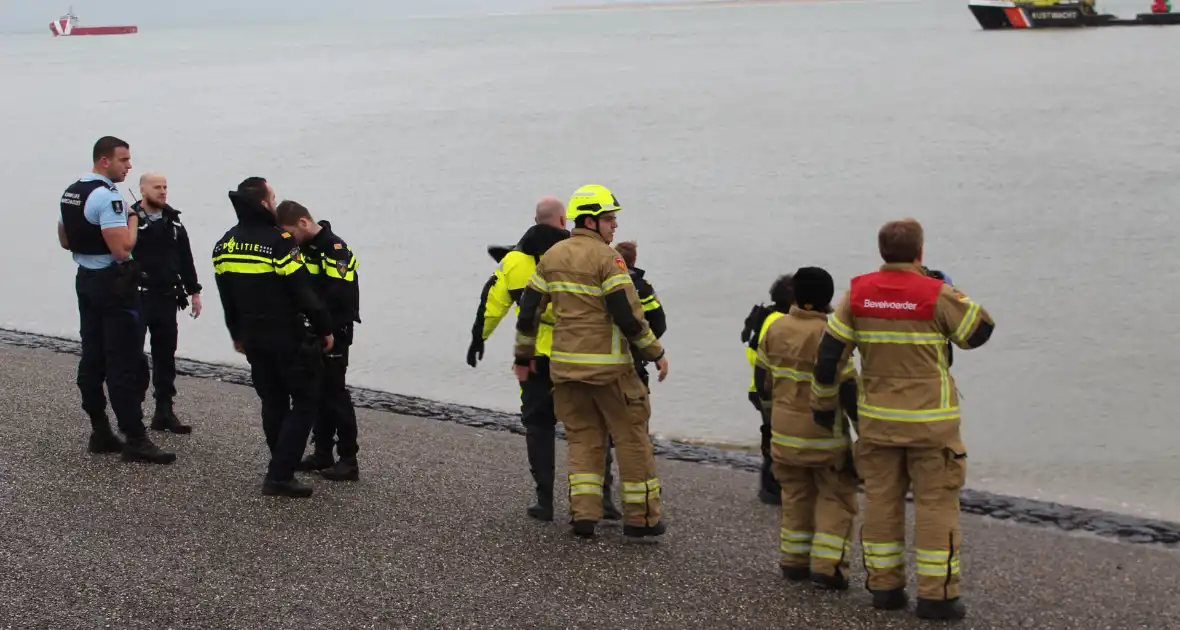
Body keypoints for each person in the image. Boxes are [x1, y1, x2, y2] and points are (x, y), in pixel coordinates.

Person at [811, 218, 995, 621]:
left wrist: (824, 408)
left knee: (881, 503)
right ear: (920, 253)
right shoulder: (935, 293)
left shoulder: (857, 293)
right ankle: (937, 596)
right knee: (936, 506)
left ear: (882, 252)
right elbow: (980, 331)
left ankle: (885, 588)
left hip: (877, 424)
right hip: (933, 426)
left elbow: (828, 360)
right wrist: (951, 289)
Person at [513, 184, 669, 541]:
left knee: (583, 440)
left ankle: (584, 515)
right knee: (632, 440)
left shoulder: (552, 256)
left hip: (565, 370)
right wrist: (655, 352)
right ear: (590, 221)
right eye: (609, 219)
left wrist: (523, 357)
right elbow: (627, 316)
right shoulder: (608, 259)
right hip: (611, 371)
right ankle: (642, 519)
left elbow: (527, 313)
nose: (614, 226)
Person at [467, 196, 622, 522]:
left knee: (539, 426)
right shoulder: (581, 253)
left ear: (534, 220)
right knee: (591, 427)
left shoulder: (513, 261)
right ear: (565, 220)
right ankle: (602, 499)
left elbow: (493, 302)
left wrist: (478, 337)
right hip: (579, 355)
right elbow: (615, 302)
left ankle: (544, 501)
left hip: (536, 358)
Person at [212, 177, 334, 498]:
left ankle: (280, 466)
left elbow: (226, 296)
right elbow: (303, 292)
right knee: (305, 401)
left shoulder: (224, 243)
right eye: (273, 197)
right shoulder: (280, 241)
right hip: (285, 335)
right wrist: (325, 328)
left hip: (252, 336)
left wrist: (236, 333)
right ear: (264, 203)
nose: (275, 202)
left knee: (272, 400)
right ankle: (280, 475)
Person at [57, 136, 175, 464]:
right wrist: (133, 222)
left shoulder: (72, 191)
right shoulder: (109, 198)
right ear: (105, 161)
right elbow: (122, 250)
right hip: (114, 284)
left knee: (92, 356)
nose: (129, 166)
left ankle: (100, 430)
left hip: (86, 279)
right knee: (125, 362)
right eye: (124, 160)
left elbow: (65, 240)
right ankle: (134, 437)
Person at [755, 267, 860, 590]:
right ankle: (828, 568)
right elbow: (846, 388)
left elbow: (762, 382)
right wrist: (862, 430)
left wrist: (773, 421)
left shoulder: (775, 328)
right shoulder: (831, 334)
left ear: (795, 297)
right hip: (823, 436)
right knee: (836, 497)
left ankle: (793, 562)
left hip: (784, 434)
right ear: (828, 299)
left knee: (796, 496)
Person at [276, 200, 362, 482]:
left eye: (289, 231)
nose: (287, 238)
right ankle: (322, 451)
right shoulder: (301, 248)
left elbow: (339, 295)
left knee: (336, 394)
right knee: (316, 393)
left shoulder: (335, 249)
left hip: (335, 330)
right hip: (313, 330)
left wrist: (324, 326)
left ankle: (348, 458)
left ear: (303, 222)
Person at [130, 171, 202, 434]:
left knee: (165, 356)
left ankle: (164, 411)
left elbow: (186, 257)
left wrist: (194, 291)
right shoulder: (130, 218)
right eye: (157, 187)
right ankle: (133, 415)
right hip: (137, 296)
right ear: (142, 190)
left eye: (165, 187)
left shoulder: (174, 222)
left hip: (167, 297)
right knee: (134, 357)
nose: (162, 191)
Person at [740, 275, 795, 505]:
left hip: (762, 387)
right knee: (776, 437)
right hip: (768, 389)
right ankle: (772, 488)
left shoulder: (769, 315)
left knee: (772, 435)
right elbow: (764, 357)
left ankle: (773, 486)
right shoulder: (777, 321)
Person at [612, 240, 667, 389]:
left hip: (604, 361)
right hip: (633, 360)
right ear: (634, 259)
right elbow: (659, 323)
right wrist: (650, 350)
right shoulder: (642, 288)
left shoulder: (603, 282)